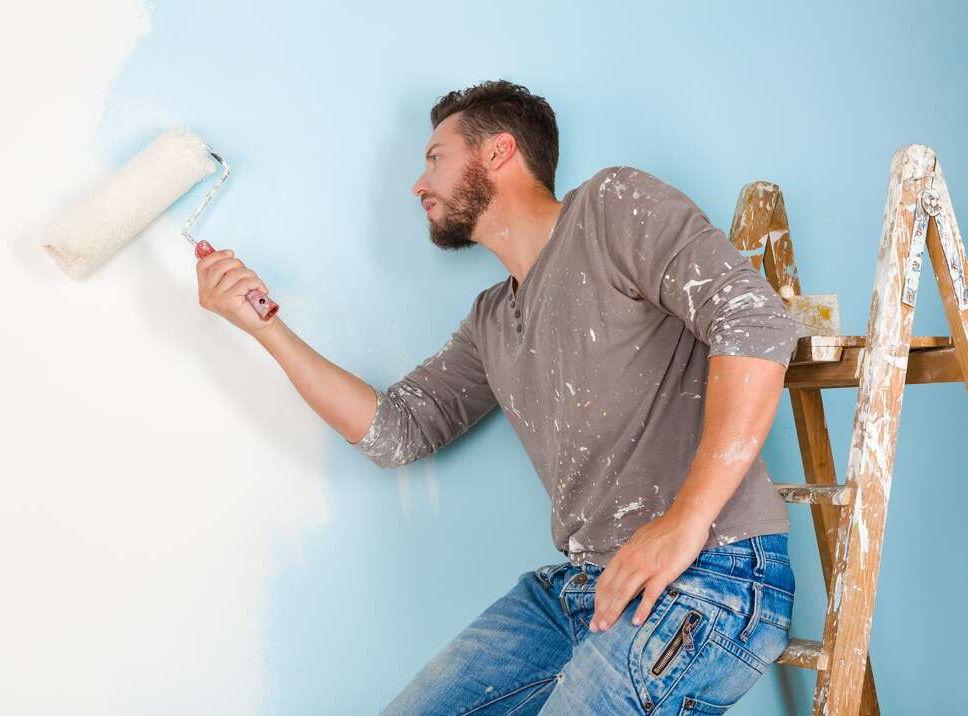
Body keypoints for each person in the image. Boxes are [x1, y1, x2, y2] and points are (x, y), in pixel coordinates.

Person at [195, 79, 806, 715]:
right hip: (584, 587)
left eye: (435, 157)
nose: (417, 185)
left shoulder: (611, 207)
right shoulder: (492, 320)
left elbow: (753, 319)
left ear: (498, 152)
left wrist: (685, 522)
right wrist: (263, 328)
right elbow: (396, 431)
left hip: (711, 575)